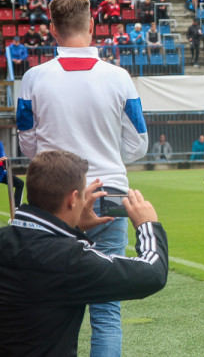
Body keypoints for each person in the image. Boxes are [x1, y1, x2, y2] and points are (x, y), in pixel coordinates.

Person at [16, 0, 149, 357]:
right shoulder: (119, 77)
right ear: (92, 25)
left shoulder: (33, 78)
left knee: (46, 301)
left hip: (53, 202)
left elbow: (27, 147)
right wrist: (105, 153)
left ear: (53, 30)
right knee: (106, 310)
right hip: (109, 195)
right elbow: (139, 145)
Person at [0, 150, 167, 356]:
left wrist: (76, 230)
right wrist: (147, 225)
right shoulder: (69, 259)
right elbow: (153, 273)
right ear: (73, 199)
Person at [0, 140, 24, 208]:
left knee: (19, 183)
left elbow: (3, 156)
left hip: (1, 174)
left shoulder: (0, 144)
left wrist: (4, 160)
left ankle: (16, 209)